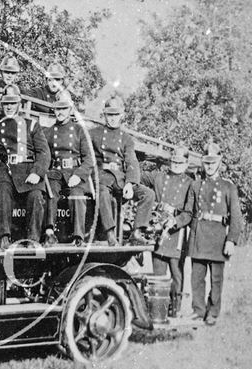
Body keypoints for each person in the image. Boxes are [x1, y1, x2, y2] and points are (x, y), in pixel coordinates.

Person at [0, 84, 50, 249]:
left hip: (29, 170)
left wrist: (37, 172)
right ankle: (4, 237)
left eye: (12, 103)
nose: (9, 106)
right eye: (6, 103)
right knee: (2, 190)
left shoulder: (32, 125)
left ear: (19, 104)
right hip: (6, 171)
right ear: (1, 104)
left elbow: (43, 152)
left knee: (36, 195)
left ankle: (33, 239)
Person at [172, 143, 243, 325]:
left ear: (219, 162)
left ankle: (213, 312)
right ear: (202, 163)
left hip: (218, 237)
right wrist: (175, 222)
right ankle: (198, 310)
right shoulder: (196, 186)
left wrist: (231, 240)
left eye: (213, 162)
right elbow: (188, 212)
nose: (209, 166)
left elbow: (236, 216)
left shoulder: (228, 187)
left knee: (216, 279)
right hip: (198, 236)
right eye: (206, 162)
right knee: (197, 277)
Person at [89, 96, 155, 246]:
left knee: (148, 194)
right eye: (109, 114)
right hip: (101, 176)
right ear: (104, 114)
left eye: (116, 115)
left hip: (120, 178)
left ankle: (136, 232)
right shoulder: (94, 134)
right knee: (103, 193)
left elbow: (131, 161)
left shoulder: (126, 139)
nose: (112, 119)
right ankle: (110, 234)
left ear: (122, 115)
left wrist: (130, 184)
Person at [141, 146, 193, 317]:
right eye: (174, 161)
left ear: (186, 164)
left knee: (176, 274)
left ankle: (175, 310)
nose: (176, 165)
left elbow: (189, 213)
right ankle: (158, 311)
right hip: (158, 231)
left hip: (176, 234)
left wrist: (175, 222)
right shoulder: (159, 176)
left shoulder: (190, 183)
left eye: (180, 162)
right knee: (158, 274)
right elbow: (139, 176)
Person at [43, 100, 94, 246]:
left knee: (77, 195)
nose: (60, 112)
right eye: (57, 109)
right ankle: (49, 233)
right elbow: (44, 155)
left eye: (64, 109)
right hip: (56, 172)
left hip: (75, 172)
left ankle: (79, 236)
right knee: (50, 192)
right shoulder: (48, 132)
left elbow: (89, 159)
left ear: (70, 110)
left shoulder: (80, 131)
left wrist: (78, 175)